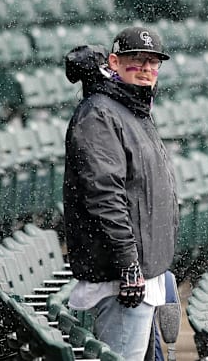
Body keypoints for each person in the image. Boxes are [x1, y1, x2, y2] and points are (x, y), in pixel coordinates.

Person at [62, 26, 179, 360]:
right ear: (114, 62)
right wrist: (129, 265)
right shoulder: (100, 113)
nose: (145, 68)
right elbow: (105, 196)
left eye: (153, 62)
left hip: (141, 274)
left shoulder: (131, 109)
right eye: (136, 61)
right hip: (123, 280)